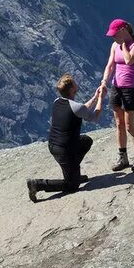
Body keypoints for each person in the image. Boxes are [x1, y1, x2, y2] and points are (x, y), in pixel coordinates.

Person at [26, 74, 104, 202]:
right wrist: (101, 98)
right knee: (72, 185)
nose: (76, 83)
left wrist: (95, 98)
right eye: (74, 83)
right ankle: (37, 184)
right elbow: (95, 117)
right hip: (64, 150)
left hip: (54, 145)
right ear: (72, 90)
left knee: (86, 141)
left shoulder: (58, 101)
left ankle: (73, 172)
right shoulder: (76, 106)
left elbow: (82, 110)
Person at [102, 18, 134, 172]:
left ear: (123, 30)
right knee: (119, 123)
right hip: (116, 87)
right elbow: (110, 65)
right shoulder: (115, 45)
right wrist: (104, 82)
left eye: (115, 34)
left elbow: (129, 60)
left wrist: (123, 45)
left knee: (130, 126)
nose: (113, 37)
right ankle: (123, 157)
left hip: (131, 88)